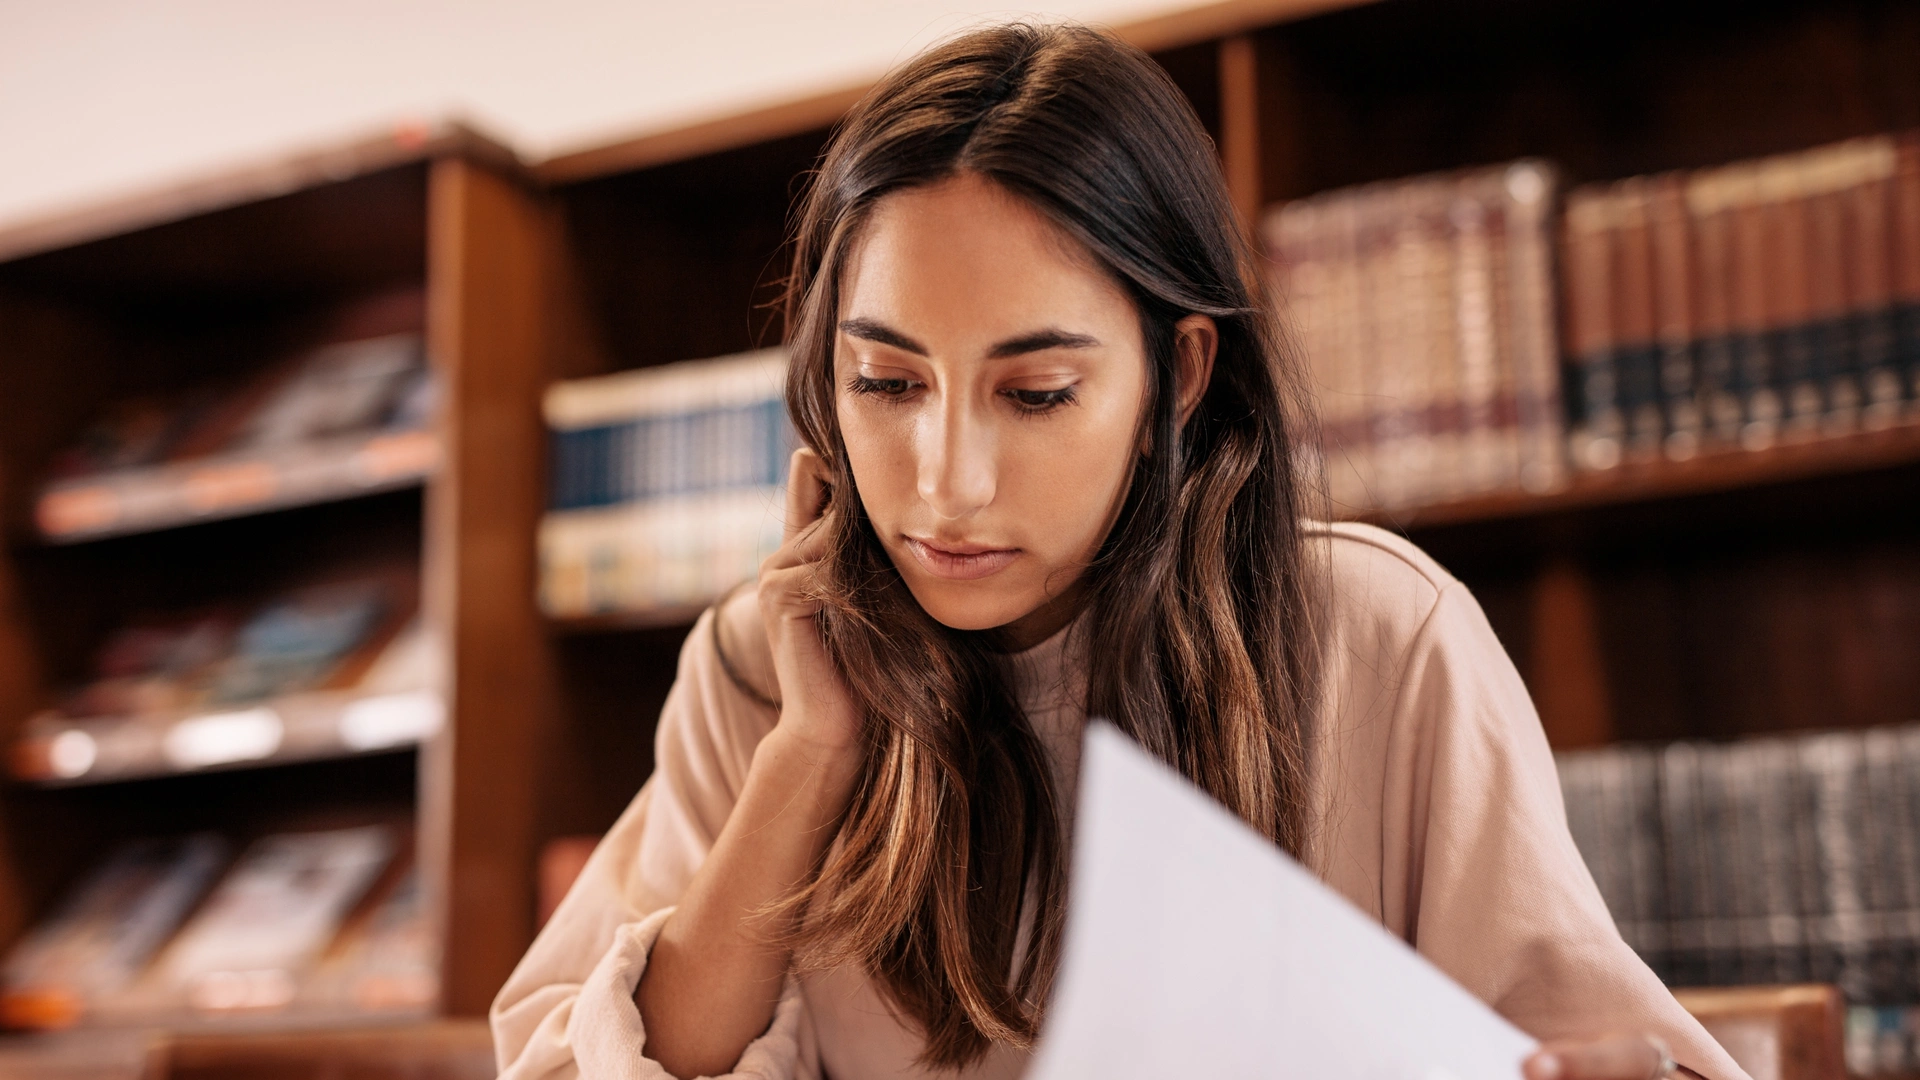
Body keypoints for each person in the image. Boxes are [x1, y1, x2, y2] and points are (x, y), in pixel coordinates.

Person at [492, 22, 1747, 1080]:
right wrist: (811, 760)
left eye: (1035, 393)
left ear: (1177, 374)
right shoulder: (766, 666)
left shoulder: (1377, 634)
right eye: (885, 382)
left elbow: (1600, 1051)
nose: (945, 484)